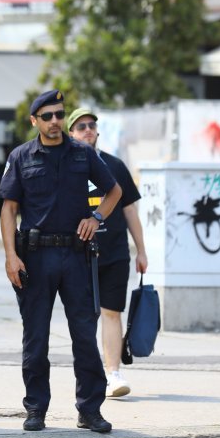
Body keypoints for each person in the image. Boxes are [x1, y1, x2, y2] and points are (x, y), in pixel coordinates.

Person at [0, 90, 122, 433]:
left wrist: (96, 218)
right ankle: (36, 408)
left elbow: (114, 190)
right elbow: (8, 209)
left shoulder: (82, 153)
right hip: (35, 257)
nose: (55, 121)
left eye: (58, 114)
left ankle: (90, 409)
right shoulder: (21, 156)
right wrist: (10, 255)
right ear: (34, 120)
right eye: (48, 115)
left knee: (84, 335)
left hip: (76, 255)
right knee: (36, 337)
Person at [68, 108, 148, 398]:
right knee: (85, 317)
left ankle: (113, 373)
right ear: (71, 134)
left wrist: (141, 250)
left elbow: (129, 210)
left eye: (91, 125)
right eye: (80, 127)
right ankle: (89, 375)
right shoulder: (65, 167)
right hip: (78, 255)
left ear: (97, 132)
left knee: (111, 312)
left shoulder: (115, 166)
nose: (87, 130)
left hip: (114, 253)